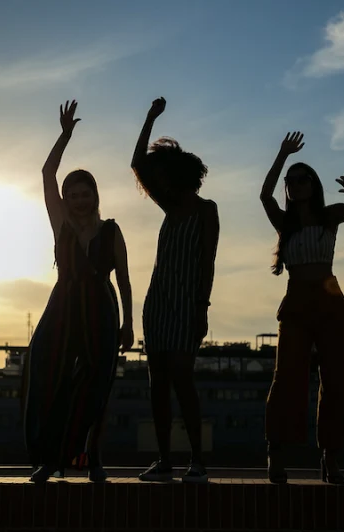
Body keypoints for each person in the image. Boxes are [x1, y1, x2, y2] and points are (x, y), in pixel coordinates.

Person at [22, 100, 134, 483]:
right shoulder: (61, 226)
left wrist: (129, 324)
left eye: (85, 193)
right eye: (74, 194)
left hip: (101, 311)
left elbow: (124, 278)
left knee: (96, 387)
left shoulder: (111, 231)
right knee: (49, 378)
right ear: (67, 200)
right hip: (64, 309)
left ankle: (92, 460)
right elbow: (47, 172)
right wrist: (65, 135)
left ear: (95, 196)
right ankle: (49, 460)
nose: (79, 199)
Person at [260, 132, 344, 485]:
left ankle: (330, 457)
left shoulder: (328, 216)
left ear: (313, 184)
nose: (296, 184)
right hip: (296, 300)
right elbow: (264, 195)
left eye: (302, 179)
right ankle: (276, 455)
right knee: (288, 377)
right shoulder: (285, 223)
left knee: (337, 379)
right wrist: (281, 154)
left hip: (331, 299)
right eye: (291, 181)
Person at [130, 97, 219, 483]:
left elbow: (208, 262)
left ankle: (197, 460)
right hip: (159, 304)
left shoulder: (206, 210)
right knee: (158, 381)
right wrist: (150, 118)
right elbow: (137, 163)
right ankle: (165, 461)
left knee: (182, 378)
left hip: (188, 304)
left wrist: (201, 307)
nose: (162, 182)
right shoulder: (168, 204)